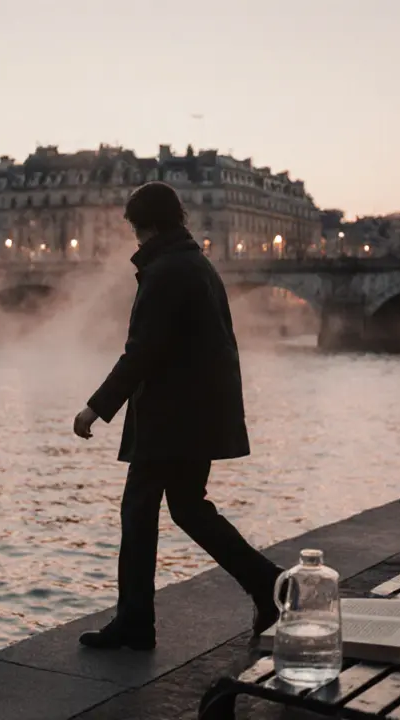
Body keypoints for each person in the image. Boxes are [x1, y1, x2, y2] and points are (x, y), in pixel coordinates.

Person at [72, 181, 283, 651]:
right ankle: (270, 585)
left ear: (145, 225)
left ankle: (135, 623)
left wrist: (96, 407)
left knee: (138, 511)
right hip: (198, 412)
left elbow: (142, 352)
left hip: (170, 417)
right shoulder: (196, 263)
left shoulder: (165, 271)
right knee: (188, 508)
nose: (135, 238)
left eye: (135, 228)